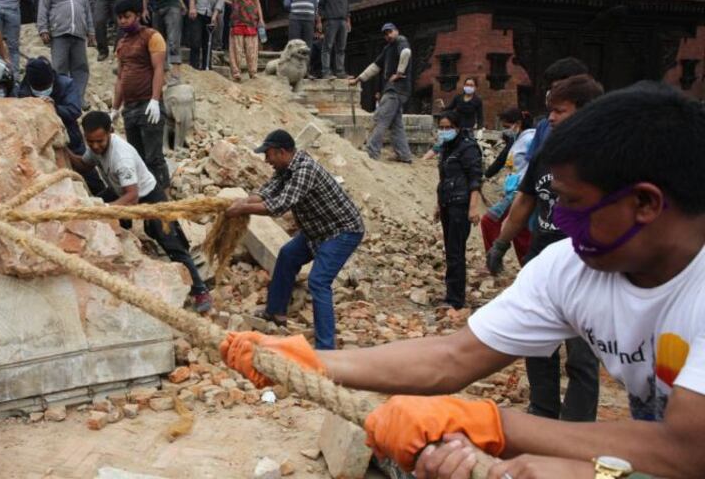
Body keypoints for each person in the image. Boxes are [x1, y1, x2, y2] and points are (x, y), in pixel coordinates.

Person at [223, 83, 705, 479]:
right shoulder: (570, 268)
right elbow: (452, 357)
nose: (559, 220)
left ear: (646, 203)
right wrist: (310, 362)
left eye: (573, 206)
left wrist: (492, 425)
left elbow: (686, 452)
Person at [487, 74, 604, 425]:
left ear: (583, 111)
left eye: (559, 110)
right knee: (537, 343)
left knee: (581, 353)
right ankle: (543, 409)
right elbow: (524, 201)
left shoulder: (608, 157)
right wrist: (501, 243)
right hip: (542, 262)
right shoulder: (546, 154)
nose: (550, 118)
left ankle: (577, 425)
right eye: (550, 111)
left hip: (589, 267)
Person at [225, 129, 364, 350]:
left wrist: (243, 208)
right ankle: (276, 312)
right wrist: (242, 202)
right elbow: (266, 192)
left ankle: (326, 348)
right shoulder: (285, 168)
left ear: (281, 152)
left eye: (268, 155)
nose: (266, 160)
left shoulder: (304, 169)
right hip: (316, 230)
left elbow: (279, 205)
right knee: (288, 255)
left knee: (319, 281)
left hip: (342, 231)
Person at [70, 111, 212, 312]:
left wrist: (106, 210)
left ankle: (200, 290)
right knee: (95, 204)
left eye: (99, 141)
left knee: (171, 241)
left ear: (110, 132)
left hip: (148, 196)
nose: (94, 146)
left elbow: (132, 196)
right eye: (90, 141)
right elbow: (84, 165)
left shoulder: (122, 157)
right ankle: (126, 238)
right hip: (120, 189)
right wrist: (63, 151)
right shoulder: (96, 146)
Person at [18, 57, 104, 194]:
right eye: (38, 89)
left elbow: (75, 110)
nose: (42, 91)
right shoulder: (24, 89)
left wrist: (55, 107)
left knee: (89, 176)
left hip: (71, 139)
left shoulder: (66, 84)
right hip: (41, 144)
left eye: (45, 88)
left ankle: (104, 197)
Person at [110, 0, 169, 189]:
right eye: (120, 18)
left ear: (137, 15)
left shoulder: (152, 36)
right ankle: (146, 198)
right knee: (136, 158)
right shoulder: (122, 43)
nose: (123, 21)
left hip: (148, 105)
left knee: (154, 157)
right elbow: (120, 77)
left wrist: (154, 99)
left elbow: (159, 69)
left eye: (127, 16)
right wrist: (114, 108)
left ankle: (164, 198)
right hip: (130, 108)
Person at [432, 111, 483, 310]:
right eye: (441, 127)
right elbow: (443, 179)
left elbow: (475, 180)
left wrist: (473, 208)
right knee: (451, 251)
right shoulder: (446, 148)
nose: (444, 131)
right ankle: (451, 294)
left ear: (458, 127)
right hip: (447, 203)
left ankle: (455, 299)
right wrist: (438, 204)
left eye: (448, 127)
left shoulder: (468, 149)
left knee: (456, 252)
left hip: (460, 206)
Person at [349, 22, 413, 163]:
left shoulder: (401, 41)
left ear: (396, 31)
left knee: (380, 119)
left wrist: (399, 73)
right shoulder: (388, 48)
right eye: (385, 34)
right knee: (396, 124)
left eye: (390, 32)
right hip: (399, 91)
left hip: (395, 90)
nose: (388, 35)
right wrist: (359, 79)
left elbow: (406, 52)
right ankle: (404, 155)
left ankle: (372, 151)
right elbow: (375, 66)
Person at [480, 107, 535, 262]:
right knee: (521, 231)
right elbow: (503, 159)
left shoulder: (530, 139)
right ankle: (526, 266)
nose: (505, 130)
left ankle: (493, 262)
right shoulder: (517, 139)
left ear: (517, 123)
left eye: (506, 126)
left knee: (489, 221)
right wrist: (486, 175)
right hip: (516, 189)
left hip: (520, 191)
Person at [38, 0, 95, 101]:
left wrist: (91, 31)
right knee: (59, 68)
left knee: (81, 69)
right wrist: (43, 29)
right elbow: (43, 9)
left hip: (79, 34)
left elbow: (87, 11)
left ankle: (78, 98)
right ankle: (62, 98)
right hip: (59, 33)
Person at [227, 0, 264, 83]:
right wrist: (233, 4)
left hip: (251, 22)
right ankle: (236, 73)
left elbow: (258, 4)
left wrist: (261, 19)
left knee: (252, 49)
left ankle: (253, 72)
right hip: (237, 22)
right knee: (236, 50)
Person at [317, 0, 352, 79]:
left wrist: (348, 19)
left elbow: (347, 4)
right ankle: (326, 71)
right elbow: (320, 4)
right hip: (330, 20)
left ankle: (340, 71)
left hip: (343, 20)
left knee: (341, 48)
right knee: (328, 47)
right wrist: (319, 20)